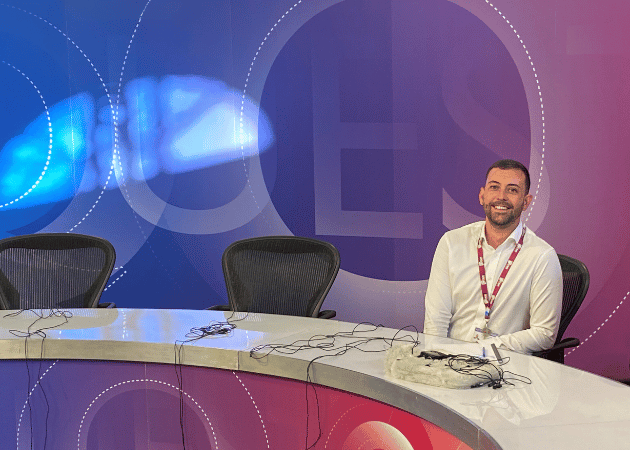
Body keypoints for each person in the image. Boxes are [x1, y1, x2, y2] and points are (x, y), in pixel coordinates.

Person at [423, 159, 562, 354]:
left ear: (526, 202)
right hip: (449, 362)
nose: (501, 197)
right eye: (494, 187)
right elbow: (435, 319)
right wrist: (435, 362)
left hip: (506, 368)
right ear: (482, 195)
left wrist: (484, 349)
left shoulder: (541, 256)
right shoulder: (451, 243)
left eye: (512, 190)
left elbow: (544, 334)